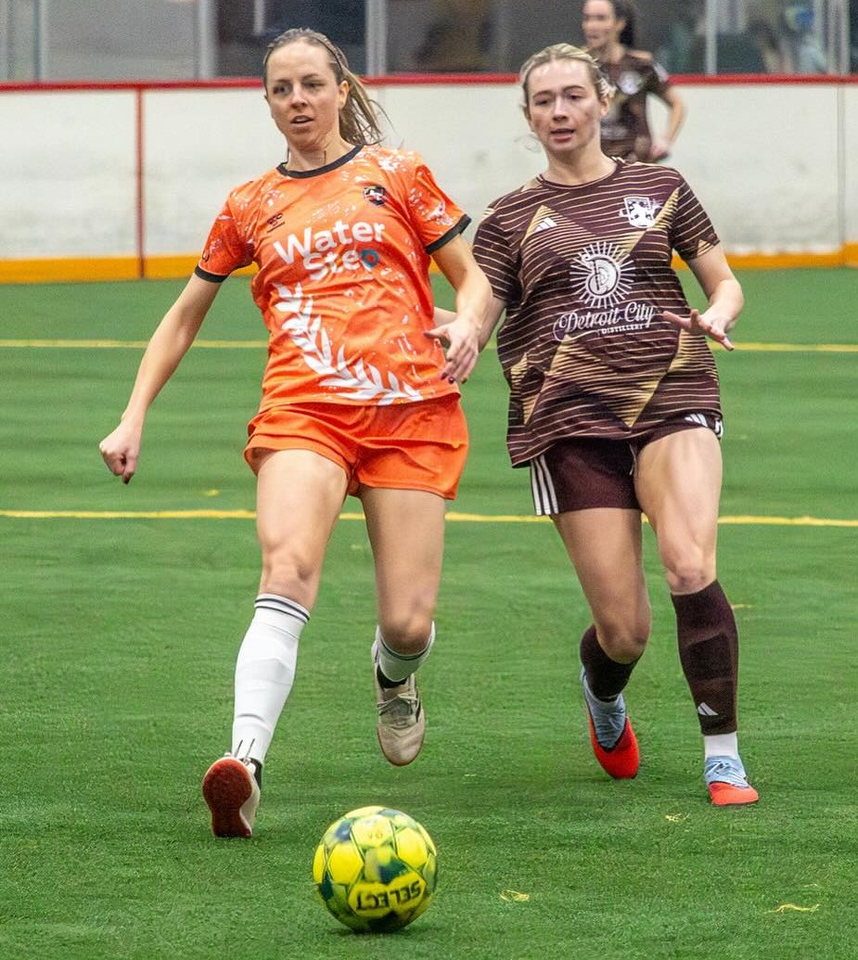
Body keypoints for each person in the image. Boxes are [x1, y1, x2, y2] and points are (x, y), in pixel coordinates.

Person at [99, 27, 492, 838]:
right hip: (304, 411)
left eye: (312, 84)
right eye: (281, 89)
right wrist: (133, 413)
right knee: (287, 568)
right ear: (268, 102)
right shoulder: (250, 204)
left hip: (411, 411)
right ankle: (244, 766)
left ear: (341, 89)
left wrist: (470, 325)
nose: (298, 101)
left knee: (408, 622)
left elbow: (474, 278)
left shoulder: (398, 174)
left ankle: (394, 675)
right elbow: (184, 315)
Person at [468, 42, 758, 805]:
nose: (560, 111)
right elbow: (478, 309)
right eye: (544, 101)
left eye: (573, 95)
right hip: (570, 419)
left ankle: (723, 756)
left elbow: (724, 281)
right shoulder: (507, 219)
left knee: (689, 564)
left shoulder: (661, 186)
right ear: (528, 116)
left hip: (671, 390)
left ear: (603, 101)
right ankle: (603, 690)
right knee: (625, 630)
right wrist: (460, 334)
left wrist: (719, 311)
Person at [582, 0, 686, 162]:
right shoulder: (578, 66)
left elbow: (677, 104)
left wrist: (665, 141)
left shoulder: (641, 64)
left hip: (636, 164)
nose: (592, 25)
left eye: (601, 18)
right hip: (593, 165)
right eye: (587, 18)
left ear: (619, 23)